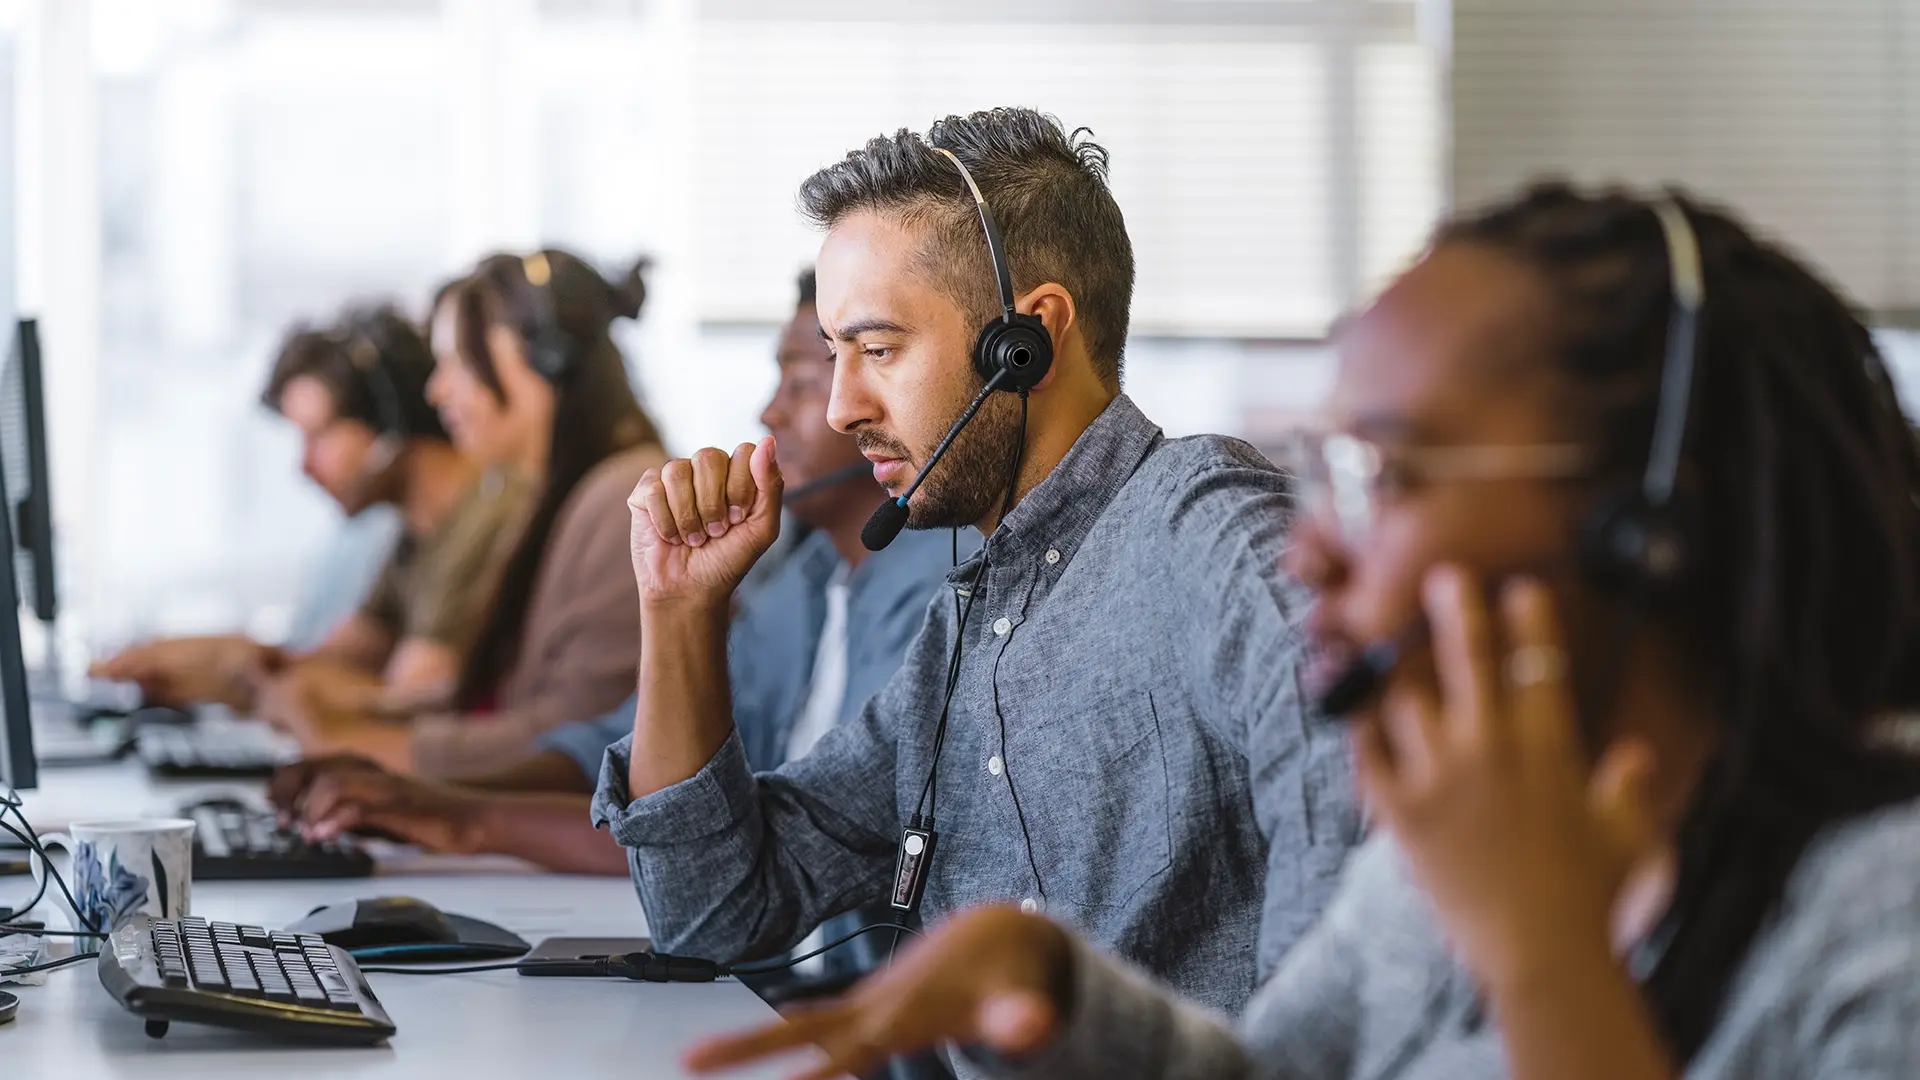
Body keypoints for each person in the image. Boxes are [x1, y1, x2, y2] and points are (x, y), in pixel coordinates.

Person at [684, 183, 1920, 1080]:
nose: (1315, 546)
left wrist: (1545, 962)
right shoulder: (1441, 863)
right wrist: (1060, 995)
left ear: (1647, 525)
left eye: (1385, 473)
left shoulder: (1879, 923)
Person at [598, 106, 1359, 1050]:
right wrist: (678, 610)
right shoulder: (971, 626)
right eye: (835, 356)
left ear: (1026, 342)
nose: (840, 407)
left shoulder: (1210, 532)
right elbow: (712, 913)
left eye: (878, 350)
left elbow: (1358, 848)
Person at [268, 270, 961, 881]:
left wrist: (454, 812)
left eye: (801, 384)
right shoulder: (804, 578)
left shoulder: (934, 591)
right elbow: (627, 748)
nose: (770, 413)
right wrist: (439, 806)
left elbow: (760, 845)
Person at [258, 250, 670, 777]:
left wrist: (354, 743)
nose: (437, 390)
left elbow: (575, 742)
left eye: (459, 361)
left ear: (546, 361)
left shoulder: (625, 502)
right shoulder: (547, 498)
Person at [93, 305, 523, 714]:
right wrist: (212, 660)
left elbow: (408, 698)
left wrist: (246, 679)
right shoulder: (413, 536)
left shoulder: (484, 521)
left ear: (389, 420)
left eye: (319, 437)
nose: (304, 467)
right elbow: (332, 661)